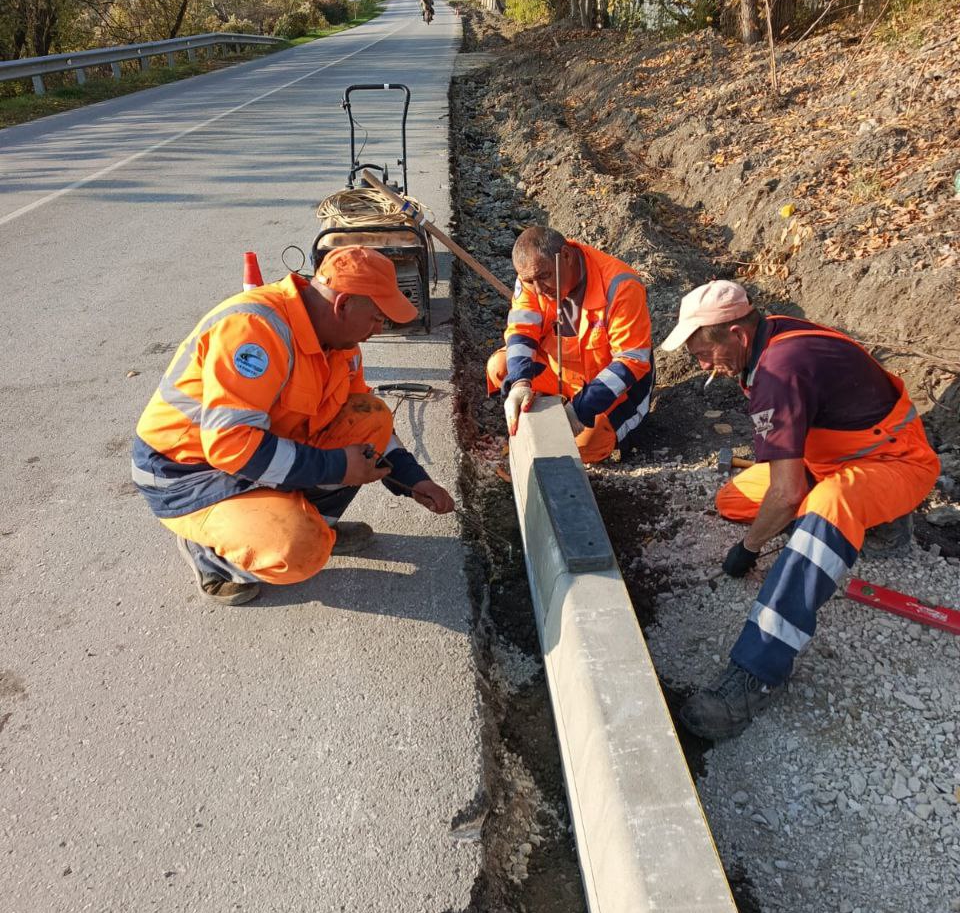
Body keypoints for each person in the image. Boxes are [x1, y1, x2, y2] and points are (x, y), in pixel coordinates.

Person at [660, 280, 940, 740]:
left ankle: (757, 672)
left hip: (895, 462)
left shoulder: (778, 371)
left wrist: (749, 549)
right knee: (732, 500)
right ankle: (861, 523)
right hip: (835, 459)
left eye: (703, 354)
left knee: (827, 504)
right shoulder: (769, 337)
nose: (703, 366)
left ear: (737, 333)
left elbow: (788, 494)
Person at [132, 247, 454, 606]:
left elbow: (367, 427)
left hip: (256, 450)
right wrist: (338, 466)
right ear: (343, 304)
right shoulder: (255, 331)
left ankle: (315, 524)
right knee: (299, 549)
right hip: (187, 472)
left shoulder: (342, 345)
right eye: (377, 317)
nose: (379, 329)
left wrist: (414, 480)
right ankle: (213, 551)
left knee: (371, 414)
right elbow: (231, 444)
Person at [486, 226, 654, 463]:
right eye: (529, 281)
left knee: (586, 445)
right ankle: (546, 411)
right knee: (501, 367)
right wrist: (520, 383)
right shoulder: (532, 274)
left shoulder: (620, 286)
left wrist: (580, 410)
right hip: (564, 374)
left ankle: (575, 417)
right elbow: (521, 330)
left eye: (544, 277)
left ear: (566, 256)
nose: (538, 290)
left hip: (613, 390)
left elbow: (631, 361)